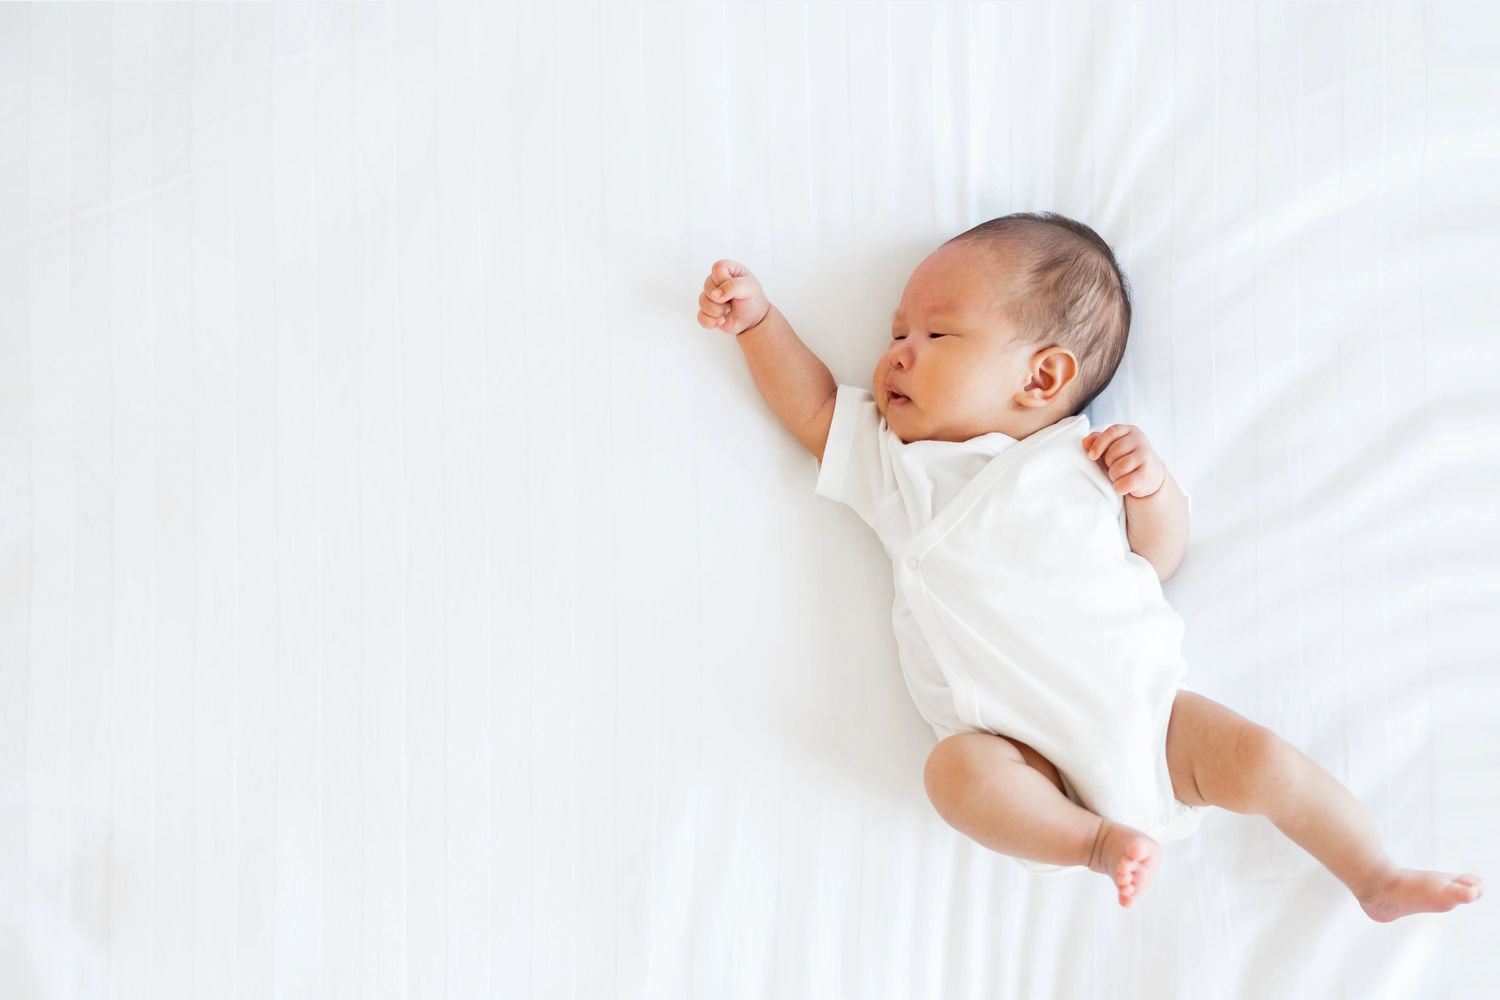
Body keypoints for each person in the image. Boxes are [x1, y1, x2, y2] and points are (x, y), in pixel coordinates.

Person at [696, 213, 1484, 919]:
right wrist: (759, 325)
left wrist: (1154, 488)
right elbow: (816, 409)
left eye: (934, 337)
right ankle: (1093, 842)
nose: (896, 354)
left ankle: (1372, 873)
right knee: (955, 775)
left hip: (1152, 719)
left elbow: (1157, 556)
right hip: (1020, 754)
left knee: (1266, 761)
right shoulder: (903, 465)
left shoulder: (1083, 457)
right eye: (898, 333)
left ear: (1042, 377)